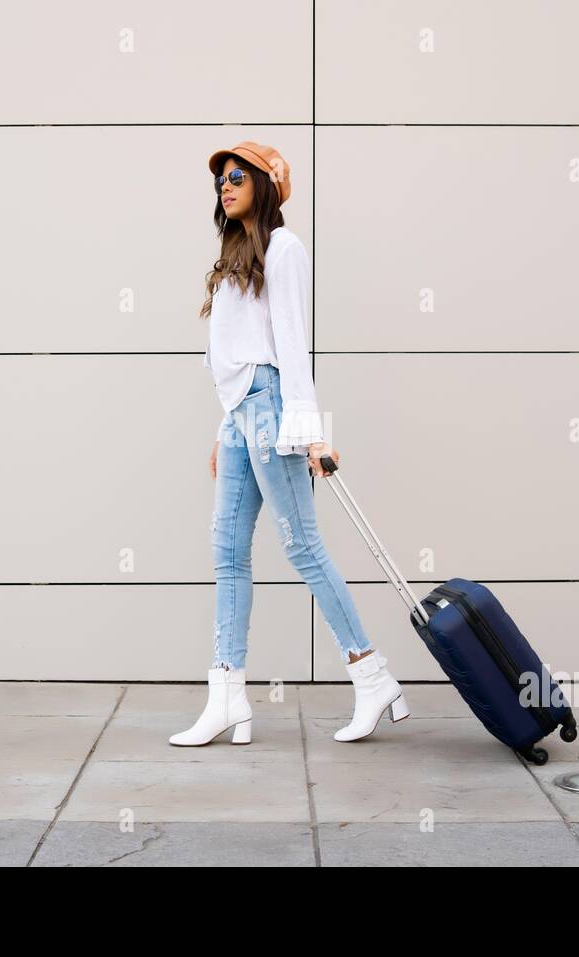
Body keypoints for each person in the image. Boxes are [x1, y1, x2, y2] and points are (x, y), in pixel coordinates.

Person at [169, 141, 409, 747]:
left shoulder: (284, 247)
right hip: (242, 414)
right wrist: (225, 430)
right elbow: (236, 355)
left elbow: (293, 345)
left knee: (301, 544)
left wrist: (309, 431)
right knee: (226, 548)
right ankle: (227, 697)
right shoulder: (234, 258)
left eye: (236, 176)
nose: (224, 185)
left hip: (272, 409)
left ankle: (371, 674)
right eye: (220, 179)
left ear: (266, 184)